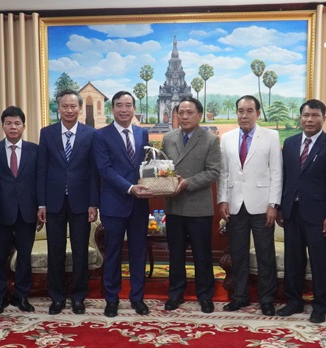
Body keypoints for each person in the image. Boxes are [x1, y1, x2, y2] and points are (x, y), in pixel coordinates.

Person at [276, 99, 326, 324]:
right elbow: (285, 178)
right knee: (293, 260)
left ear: (324, 118)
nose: (309, 119)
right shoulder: (291, 143)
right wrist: (280, 207)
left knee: (319, 261)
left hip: (318, 215)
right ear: (300, 117)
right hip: (292, 212)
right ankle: (293, 301)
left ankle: (320, 305)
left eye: (315, 115)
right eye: (306, 115)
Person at [217, 95, 282, 315]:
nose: (244, 115)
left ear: (258, 113)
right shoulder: (226, 138)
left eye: (249, 111)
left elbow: (276, 172)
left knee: (265, 253)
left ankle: (266, 299)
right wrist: (222, 199)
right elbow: (224, 172)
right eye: (240, 111)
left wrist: (273, 204)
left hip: (262, 205)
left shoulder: (271, 136)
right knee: (238, 254)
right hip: (235, 204)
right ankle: (240, 296)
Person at [38, 90, 99, 315]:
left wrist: (93, 203)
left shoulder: (91, 134)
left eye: (73, 106)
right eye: (65, 106)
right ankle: (56, 297)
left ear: (80, 108)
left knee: (80, 250)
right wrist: (41, 204)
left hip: (81, 203)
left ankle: (78, 297)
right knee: (56, 251)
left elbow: (94, 172)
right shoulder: (47, 133)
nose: (69, 110)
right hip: (53, 202)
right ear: (58, 108)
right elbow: (42, 170)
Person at [93, 90, 153, 317]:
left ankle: (138, 298)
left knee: (138, 253)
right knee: (113, 253)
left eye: (128, 105)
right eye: (119, 105)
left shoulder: (142, 134)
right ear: (113, 109)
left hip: (139, 205)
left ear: (134, 109)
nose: (124, 109)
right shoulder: (101, 135)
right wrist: (129, 188)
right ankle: (112, 298)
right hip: (114, 203)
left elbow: (145, 166)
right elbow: (104, 169)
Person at [161, 97, 220, 314]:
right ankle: (176, 293)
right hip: (174, 206)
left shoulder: (210, 140)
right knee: (175, 254)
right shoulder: (168, 138)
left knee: (201, 254)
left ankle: (205, 295)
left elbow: (214, 171)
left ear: (199, 115)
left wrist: (187, 183)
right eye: (181, 113)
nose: (184, 116)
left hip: (199, 207)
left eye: (189, 112)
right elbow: (163, 167)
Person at [0, 106, 38, 315]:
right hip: (1, 214)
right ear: (3, 125)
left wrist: (40, 208)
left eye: (17, 123)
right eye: (9, 123)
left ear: (24, 126)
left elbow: (39, 181)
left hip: (27, 213)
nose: (13, 127)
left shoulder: (35, 150)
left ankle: (21, 295)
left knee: (24, 257)